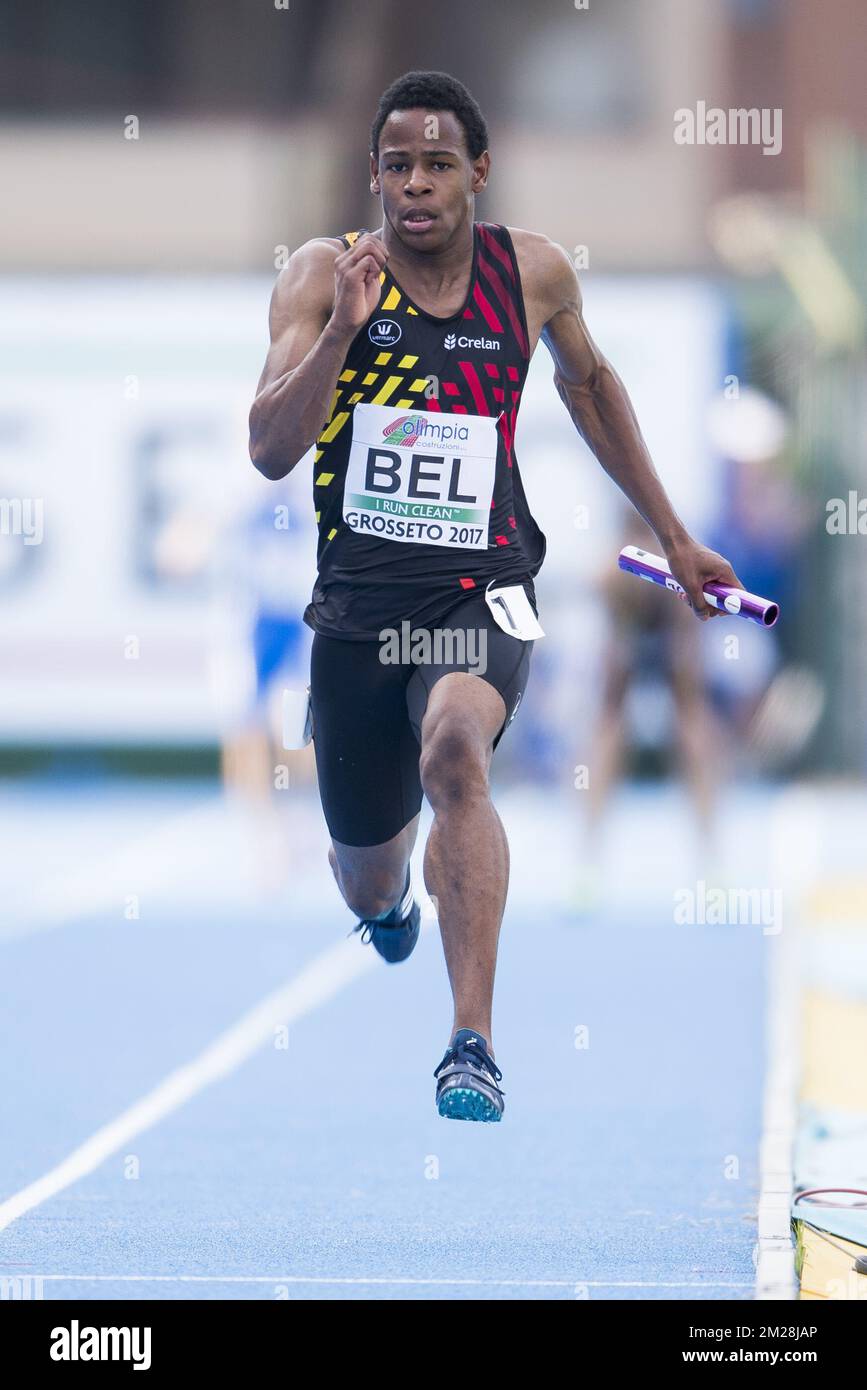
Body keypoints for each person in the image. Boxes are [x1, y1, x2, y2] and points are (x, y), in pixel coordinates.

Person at [248, 70, 743, 1122]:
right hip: (355, 616)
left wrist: (675, 535)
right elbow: (268, 451)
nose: (415, 186)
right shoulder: (322, 275)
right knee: (371, 882)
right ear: (373, 174)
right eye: (396, 166)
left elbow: (593, 389)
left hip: (486, 587)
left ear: (478, 171)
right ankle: (389, 909)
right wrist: (341, 331)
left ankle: (470, 1041)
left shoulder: (533, 275)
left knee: (457, 752)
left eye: (437, 165)